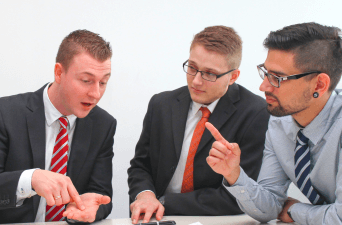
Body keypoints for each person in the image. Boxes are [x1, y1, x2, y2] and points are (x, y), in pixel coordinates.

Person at [127, 25, 270, 224]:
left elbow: (242, 195)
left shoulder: (256, 113)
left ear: (233, 77)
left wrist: (165, 201)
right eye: (192, 67)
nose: (195, 81)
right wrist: (145, 196)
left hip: (217, 220)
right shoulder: (161, 104)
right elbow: (140, 166)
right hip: (158, 219)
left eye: (210, 74)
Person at [206, 22, 342, 225]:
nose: (263, 86)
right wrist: (234, 174)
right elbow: (269, 208)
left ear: (319, 85)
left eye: (277, 78)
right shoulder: (280, 123)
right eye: (265, 72)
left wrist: (294, 210)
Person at [0, 29, 116, 223]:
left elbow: (101, 195)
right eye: (86, 81)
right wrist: (31, 180)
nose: (95, 94)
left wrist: (92, 207)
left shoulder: (103, 125)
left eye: (103, 82)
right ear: (59, 73)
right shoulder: (6, 113)